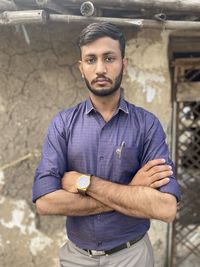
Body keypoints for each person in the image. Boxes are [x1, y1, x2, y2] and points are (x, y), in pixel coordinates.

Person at [32, 22, 181, 267]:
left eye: (109, 58)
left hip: (132, 256)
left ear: (124, 64)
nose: (100, 68)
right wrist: (132, 190)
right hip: (76, 258)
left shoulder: (147, 125)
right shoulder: (63, 124)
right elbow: (45, 202)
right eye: (91, 60)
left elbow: (165, 208)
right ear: (81, 68)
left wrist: (85, 183)